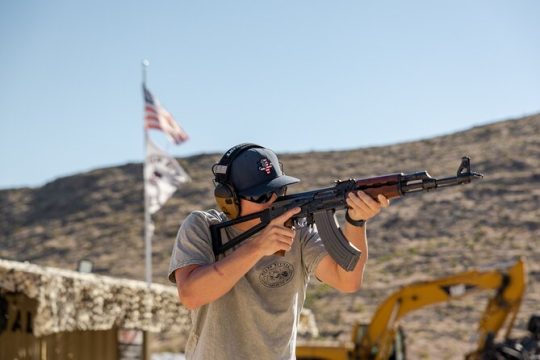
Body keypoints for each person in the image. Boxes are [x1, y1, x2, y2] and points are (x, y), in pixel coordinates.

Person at [168, 143, 389, 360]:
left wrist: (356, 222)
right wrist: (257, 248)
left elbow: (347, 280)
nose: (273, 201)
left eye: (278, 190)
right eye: (261, 196)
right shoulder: (202, 227)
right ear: (228, 199)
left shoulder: (299, 231)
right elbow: (191, 295)